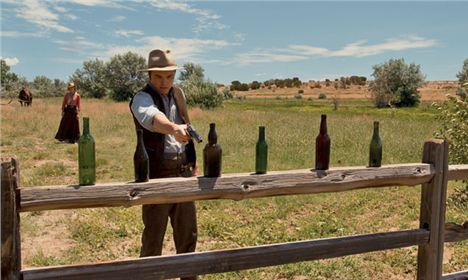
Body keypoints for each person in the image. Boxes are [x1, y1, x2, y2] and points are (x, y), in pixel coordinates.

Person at [130, 49, 198, 280]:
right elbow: (151, 118)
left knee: (188, 237)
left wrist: (192, 161)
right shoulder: (141, 98)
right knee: (153, 242)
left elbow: (186, 123)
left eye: (169, 76)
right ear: (150, 75)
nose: (164, 82)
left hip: (183, 172)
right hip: (158, 174)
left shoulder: (179, 95)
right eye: (159, 76)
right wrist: (173, 128)